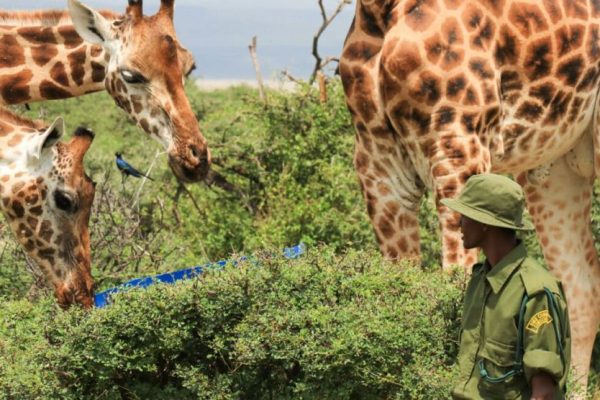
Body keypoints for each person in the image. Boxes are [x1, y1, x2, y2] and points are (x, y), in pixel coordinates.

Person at [441, 173, 571, 400]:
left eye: (466, 215)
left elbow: (544, 393)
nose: (459, 222)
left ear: (484, 224)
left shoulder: (534, 292)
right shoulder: (480, 280)